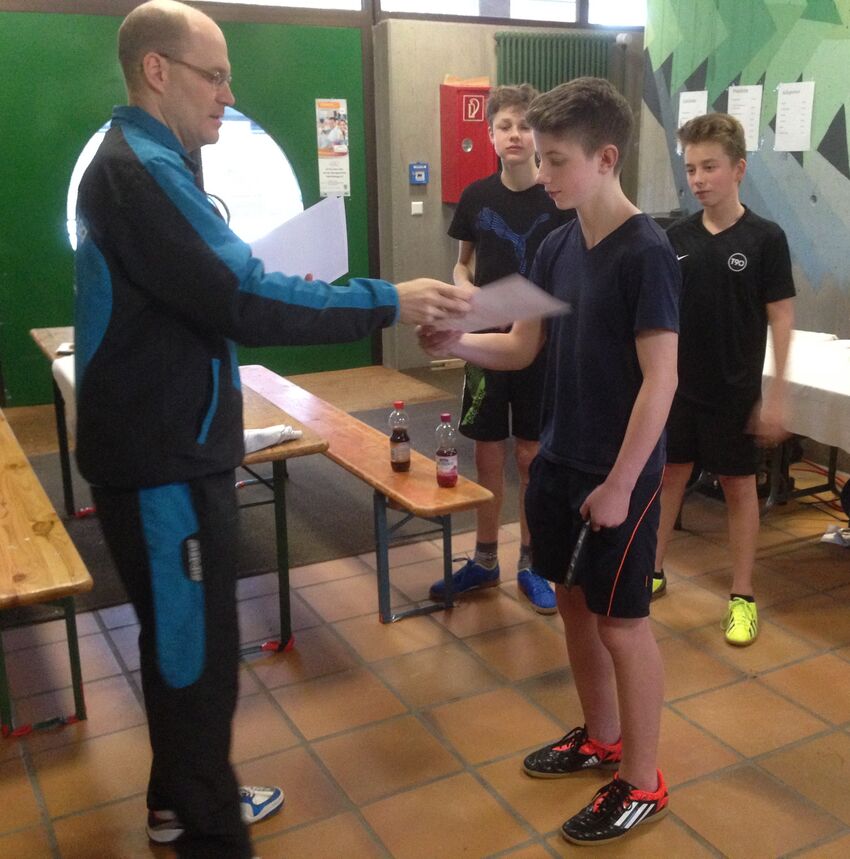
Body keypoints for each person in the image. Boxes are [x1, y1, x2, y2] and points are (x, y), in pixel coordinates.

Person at [74, 3, 471, 857]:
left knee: (182, 637)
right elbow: (242, 296)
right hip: (162, 463)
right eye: (214, 75)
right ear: (157, 71)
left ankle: (177, 801)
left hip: (170, 445)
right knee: (197, 655)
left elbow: (215, 285)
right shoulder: (139, 171)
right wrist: (388, 299)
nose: (228, 94)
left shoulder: (150, 164)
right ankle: (209, 829)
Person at [419, 77, 680, 846]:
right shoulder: (555, 244)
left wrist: (621, 483)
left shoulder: (648, 253)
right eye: (539, 157)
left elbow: (662, 380)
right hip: (559, 459)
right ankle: (600, 737)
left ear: (606, 159)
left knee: (622, 626)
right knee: (571, 602)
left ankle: (643, 779)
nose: (543, 174)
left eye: (557, 160)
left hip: (617, 474)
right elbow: (522, 345)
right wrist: (460, 342)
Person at [428, 84, 573, 615]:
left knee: (531, 454)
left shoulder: (557, 196)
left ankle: (531, 563)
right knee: (487, 451)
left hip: (541, 345)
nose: (515, 135)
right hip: (485, 340)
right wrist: (463, 287)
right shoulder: (476, 197)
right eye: (504, 126)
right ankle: (485, 559)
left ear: (538, 134)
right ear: (489, 135)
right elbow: (462, 262)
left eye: (524, 126)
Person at [652, 113, 795, 646]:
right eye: (691, 168)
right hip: (679, 390)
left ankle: (742, 596)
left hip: (735, 393)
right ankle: (652, 571)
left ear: (738, 169)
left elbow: (782, 318)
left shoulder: (766, 238)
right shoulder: (675, 237)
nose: (698, 179)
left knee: (738, 488)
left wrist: (776, 395)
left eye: (709, 167)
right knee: (669, 477)